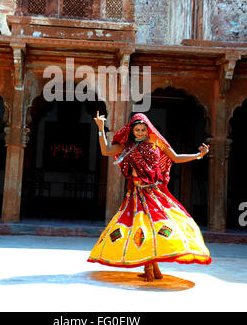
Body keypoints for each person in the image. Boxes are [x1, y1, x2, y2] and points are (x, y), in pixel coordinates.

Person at [87, 111, 211, 281]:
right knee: (143, 227)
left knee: (158, 226)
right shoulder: (127, 145)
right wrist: (101, 129)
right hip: (138, 193)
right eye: (137, 130)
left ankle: (151, 269)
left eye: (143, 130)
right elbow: (106, 150)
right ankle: (153, 269)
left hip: (155, 192)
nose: (140, 133)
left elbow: (175, 158)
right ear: (131, 131)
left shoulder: (156, 141)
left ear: (148, 130)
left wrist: (198, 156)